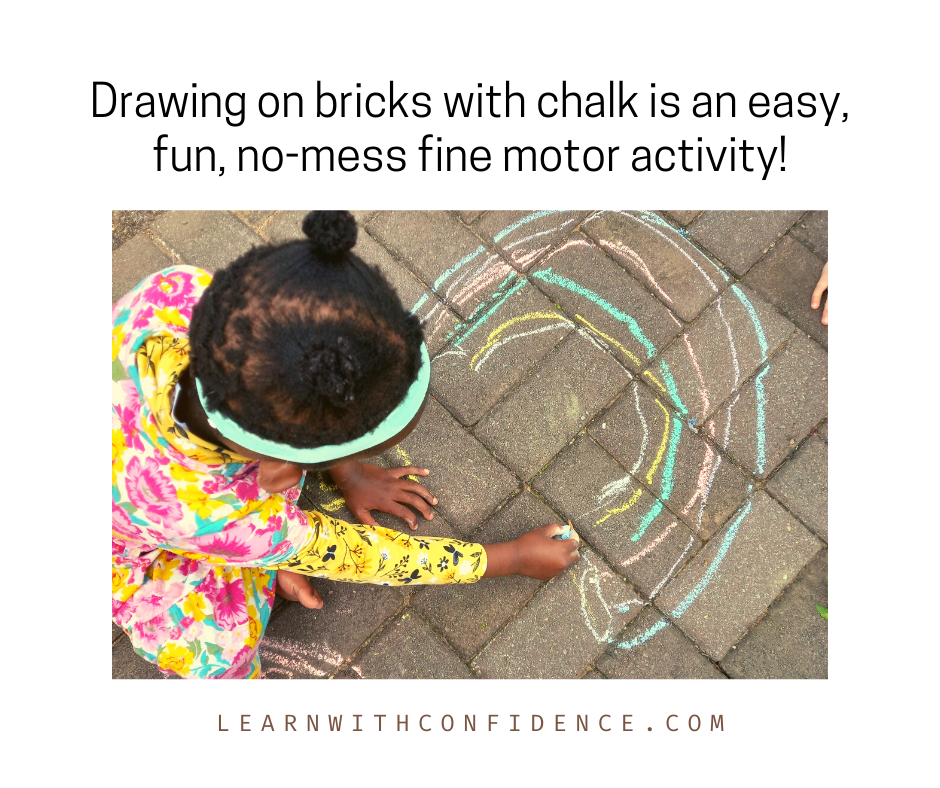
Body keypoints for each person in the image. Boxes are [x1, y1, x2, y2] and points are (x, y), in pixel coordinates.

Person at [112, 210, 580, 679]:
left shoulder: (178, 294)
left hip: (162, 475)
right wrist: (510, 559)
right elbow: (366, 555)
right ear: (282, 461)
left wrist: (348, 474)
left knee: (263, 534)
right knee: (219, 652)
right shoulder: (219, 514)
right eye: (340, 452)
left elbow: (299, 359)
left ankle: (259, 559)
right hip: (136, 546)